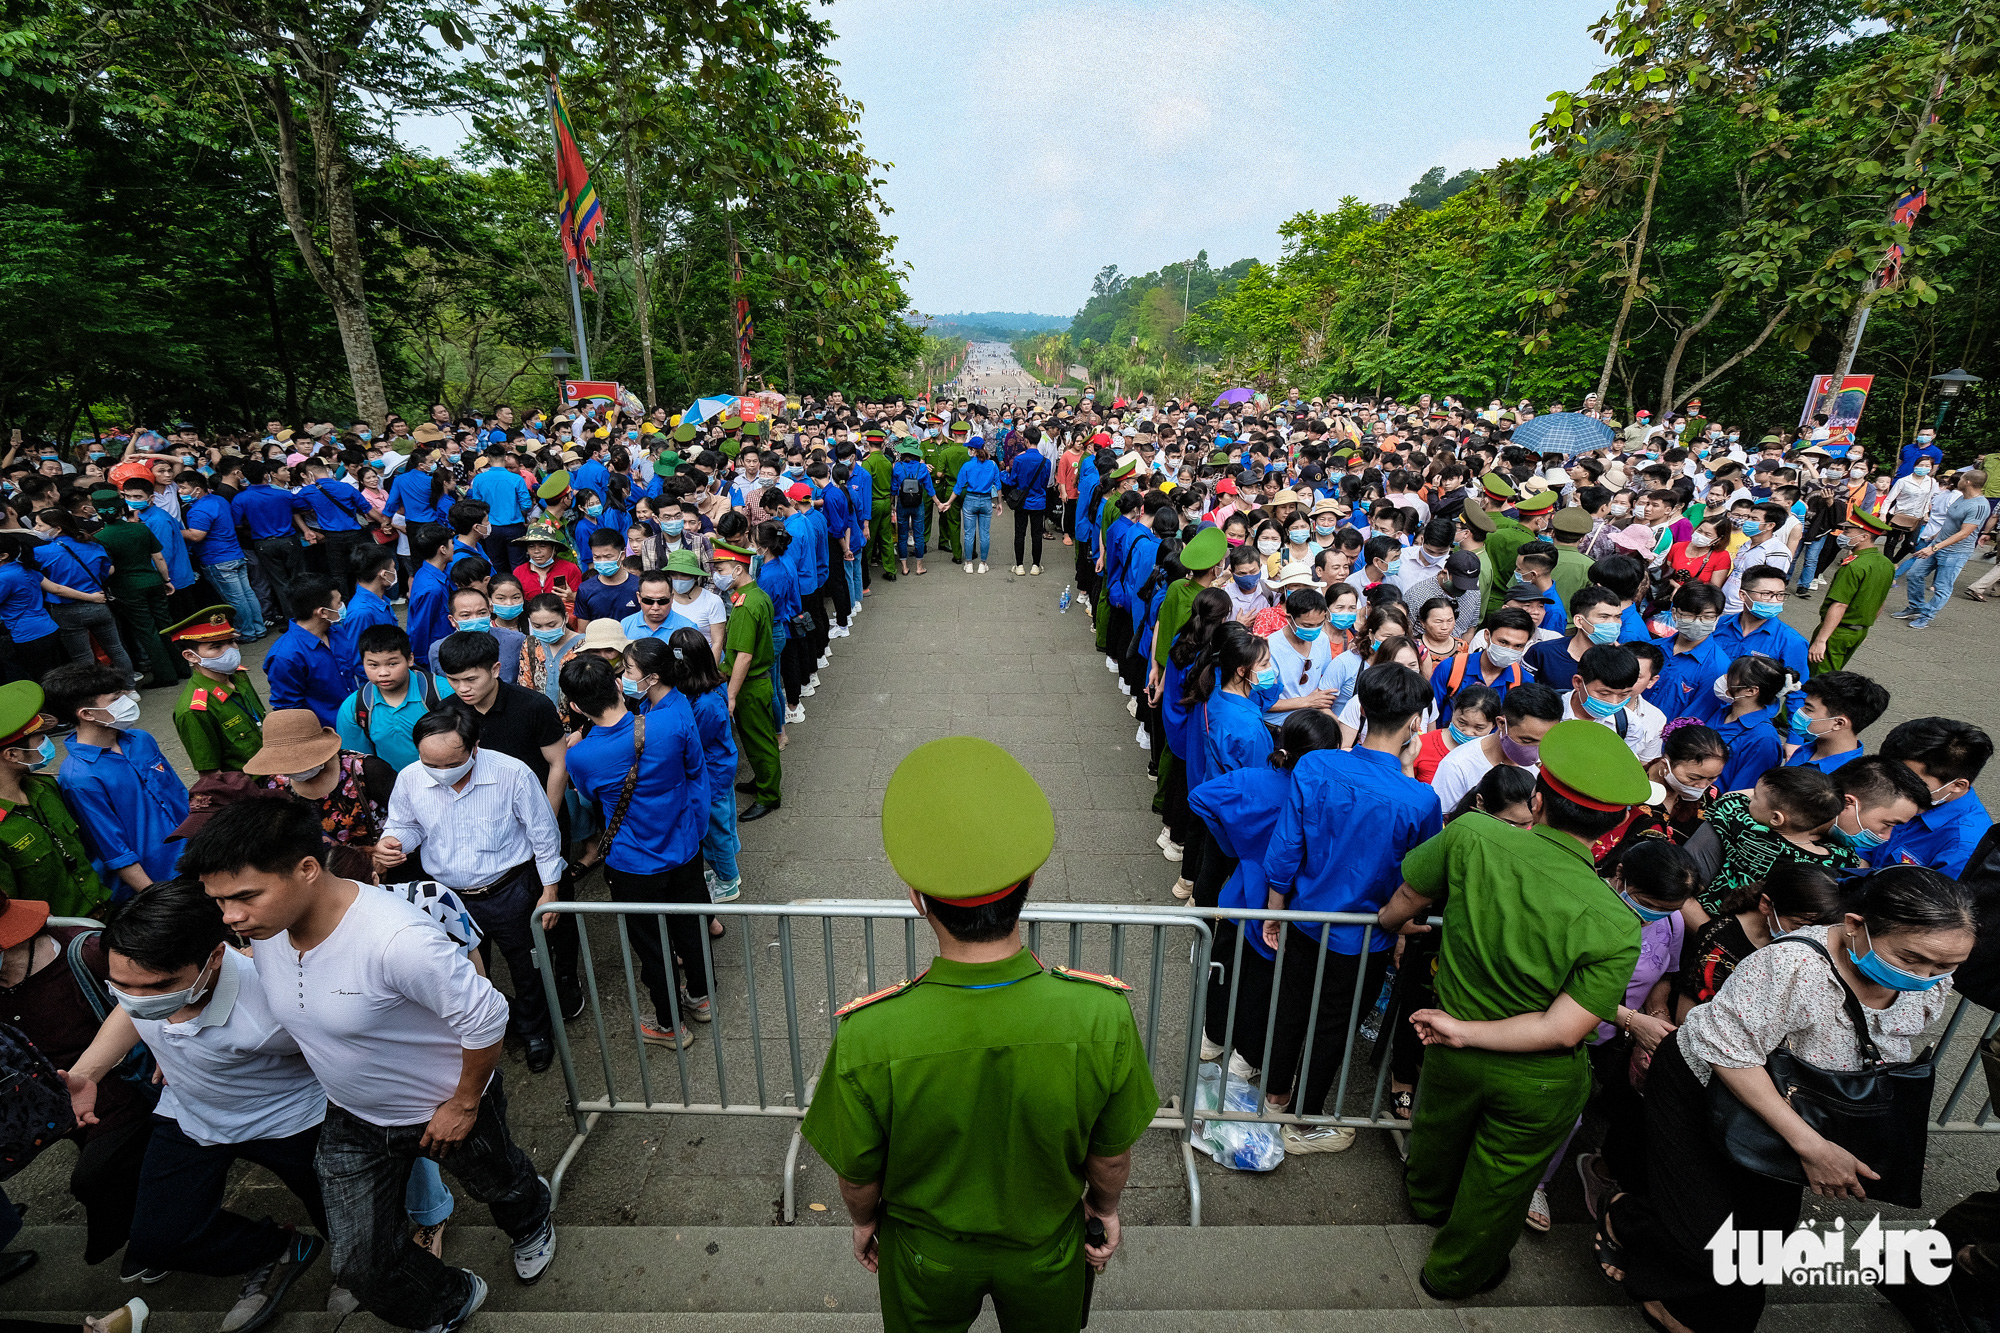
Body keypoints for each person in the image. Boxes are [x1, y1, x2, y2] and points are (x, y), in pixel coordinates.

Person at [800, 736, 1157, 1333]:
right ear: (1028, 884)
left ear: (917, 899)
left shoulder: (870, 1033)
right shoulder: (1101, 1016)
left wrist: (864, 1223)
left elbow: (858, 1174)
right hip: (1048, 1249)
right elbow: (1111, 1153)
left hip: (925, 1256)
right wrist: (1105, 1209)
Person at [182, 797, 554, 1329]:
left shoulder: (396, 941)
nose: (231, 916)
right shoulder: (266, 931)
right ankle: (451, 1298)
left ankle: (532, 1221)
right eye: (219, 902)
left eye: (245, 897)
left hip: (442, 1112)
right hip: (352, 1119)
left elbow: (487, 1014)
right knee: (359, 1263)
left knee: (502, 1184)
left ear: (308, 870)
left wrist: (465, 1103)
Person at [1600, 867, 1975, 1333]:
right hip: (1702, 1083)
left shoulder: (1930, 980)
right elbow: (1729, 1054)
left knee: (1764, 1237)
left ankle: (1651, 1243)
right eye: (1912, 959)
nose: (1926, 978)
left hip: (1790, 1097)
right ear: (1856, 925)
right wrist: (1812, 1146)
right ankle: (1630, 1225)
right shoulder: (1789, 967)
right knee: (1707, 1237)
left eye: (1945, 967)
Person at [1380, 720, 1653, 1299]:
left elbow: (1405, 900)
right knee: (1500, 1182)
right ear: (1619, 825)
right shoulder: (1617, 921)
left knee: (1438, 1132)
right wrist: (1466, 1031)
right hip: (1537, 1080)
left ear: (1537, 798)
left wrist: (1391, 928)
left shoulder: (1473, 834)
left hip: (1447, 1043)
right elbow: (1563, 1030)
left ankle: (1427, 1206)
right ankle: (1454, 1273)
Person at [61, 880, 330, 1327]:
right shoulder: (143, 987)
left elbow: (343, 1059)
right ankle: (279, 1249)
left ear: (215, 958)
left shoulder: (277, 1005)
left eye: (161, 988)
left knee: (342, 1219)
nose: (141, 1002)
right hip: (190, 1115)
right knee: (161, 1239)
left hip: (292, 1122)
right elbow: (131, 1010)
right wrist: (88, 1074)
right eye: (123, 986)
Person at [1260, 663, 1444, 1152]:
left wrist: (1276, 907)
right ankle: (1303, 1120)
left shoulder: (1316, 765)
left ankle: (1275, 1097)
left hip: (1304, 919)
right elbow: (1419, 878)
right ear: (1414, 722)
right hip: (1366, 935)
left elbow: (1286, 846)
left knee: (1292, 1008)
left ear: (1360, 710)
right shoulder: (1419, 800)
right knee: (1333, 1026)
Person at [373, 706, 565, 1073]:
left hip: (510, 891)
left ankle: (536, 1032)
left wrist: (550, 889)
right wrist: (393, 842)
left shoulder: (512, 774)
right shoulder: (412, 778)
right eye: (431, 764)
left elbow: (543, 834)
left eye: (450, 764)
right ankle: (484, 1036)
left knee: (528, 967)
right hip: (449, 898)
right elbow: (406, 824)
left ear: (474, 748)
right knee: (464, 973)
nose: (441, 772)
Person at [560, 651, 712, 1049]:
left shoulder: (579, 755)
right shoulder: (670, 721)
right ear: (616, 686)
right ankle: (701, 996)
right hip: (683, 847)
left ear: (575, 706)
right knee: (691, 926)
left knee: (651, 945)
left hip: (632, 864)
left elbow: (590, 795)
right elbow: (695, 768)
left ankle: (670, 1025)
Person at [43, 663, 190, 897]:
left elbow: (178, 795)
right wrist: (156, 897)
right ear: (87, 714)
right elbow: (113, 849)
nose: (129, 702)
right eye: (116, 699)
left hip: (196, 856)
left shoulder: (141, 740)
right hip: (160, 881)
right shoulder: (79, 777)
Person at [0, 682, 111, 916]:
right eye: (40, 739)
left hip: (105, 908)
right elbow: (10, 909)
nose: (48, 744)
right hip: (62, 938)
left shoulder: (46, 786)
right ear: (12, 755)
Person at [666, 627, 742, 903]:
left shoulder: (705, 704)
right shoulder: (712, 686)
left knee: (715, 830)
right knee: (724, 822)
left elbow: (694, 741)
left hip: (711, 773)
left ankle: (728, 880)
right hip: (719, 768)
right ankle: (726, 869)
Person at [1872, 717, 1995, 879]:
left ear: (1957, 785)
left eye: (1909, 779)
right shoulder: (1910, 795)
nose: (1891, 784)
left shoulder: (1962, 848)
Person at [714, 541, 780, 819]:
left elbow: (743, 656)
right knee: (757, 738)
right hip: (756, 682)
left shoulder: (744, 605)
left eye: (721, 569)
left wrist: (730, 694)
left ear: (737, 569)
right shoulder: (755, 595)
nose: (717, 575)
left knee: (759, 741)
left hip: (750, 686)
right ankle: (762, 779)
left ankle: (769, 795)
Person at [1429, 681, 1562, 812]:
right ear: (1501, 724)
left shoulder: (1546, 767)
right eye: (1526, 741)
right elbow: (1441, 823)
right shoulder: (1457, 767)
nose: (1536, 751)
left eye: (1543, 742)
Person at [163, 605, 266, 775]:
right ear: (190, 656)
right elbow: (211, 774)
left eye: (231, 641)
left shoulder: (239, 676)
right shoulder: (193, 711)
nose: (230, 651)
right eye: (216, 646)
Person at [335, 625, 442, 772]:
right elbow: (358, 763)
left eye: (392, 664)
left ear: (410, 659)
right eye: (373, 665)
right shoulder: (354, 708)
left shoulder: (442, 692)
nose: (383, 673)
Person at [178, 469, 266, 641]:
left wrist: (175, 530)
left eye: (183, 488)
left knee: (235, 600)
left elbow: (197, 535)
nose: (179, 492)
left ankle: (246, 633)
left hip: (217, 559)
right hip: (235, 555)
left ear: (197, 489)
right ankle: (258, 628)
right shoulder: (218, 500)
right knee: (247, 594)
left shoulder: (199, 510)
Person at [1898, 466, 1989, 627]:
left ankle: (1926, 616)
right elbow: (1951, 522)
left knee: (1942, 587)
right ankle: (1916, 607)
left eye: (1961, 479)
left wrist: (1934, 547)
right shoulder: (1962, 498)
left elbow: (1964, 533)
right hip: (1938, 544)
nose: (1956, 481)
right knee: (1914, 574)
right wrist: (1935, 537)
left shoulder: (1979, 506)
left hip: (1956, 553)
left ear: (1967, 482)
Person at [1807, 507, 1895, 673]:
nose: (1842, 534)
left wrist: (1821, 640)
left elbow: (1840, 605)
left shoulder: (1854, 566)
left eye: (1847, 532)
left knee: (1819, 681)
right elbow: (1880, 601)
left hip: (1837, 632)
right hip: (1858, 632)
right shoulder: (1886, 564)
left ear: (1864, 536)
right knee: (1834, 677)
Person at [264, 575, 350, 727]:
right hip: (328, 736)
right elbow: (289, 711)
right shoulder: (285, 657)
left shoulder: (337, 633)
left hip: (355, 725)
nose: (342, 607)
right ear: (323, 612)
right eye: (339, 603)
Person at [1782, 669, 1885, 774]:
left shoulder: (1844, 778)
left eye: (1808, 709)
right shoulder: (1809, 748)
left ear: (1838, 723)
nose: (1800, 711)